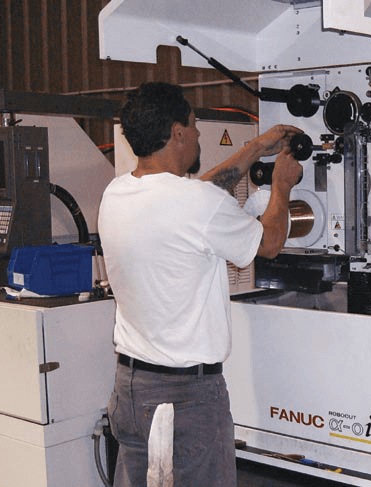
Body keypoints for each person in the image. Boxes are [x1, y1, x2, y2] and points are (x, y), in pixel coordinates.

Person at [98, 81, 302, 487]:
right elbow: (272, 243)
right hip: (185, 399)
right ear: (176, 132)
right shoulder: (195, 204)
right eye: (193, 126)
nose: (198, 134)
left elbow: (194, 197)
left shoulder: (117, 192)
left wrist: (256, 147)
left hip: (130, 389)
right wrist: (282, 185)